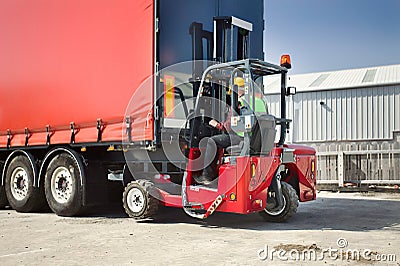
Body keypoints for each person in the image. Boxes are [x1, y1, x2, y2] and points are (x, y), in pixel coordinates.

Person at [194, 78, 246, 185]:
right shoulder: (256, 101)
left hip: (240, 137)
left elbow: (229, 125)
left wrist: (217, 125)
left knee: (212, 141)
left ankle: (207, 176)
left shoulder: (239, 103)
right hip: (252, 138)